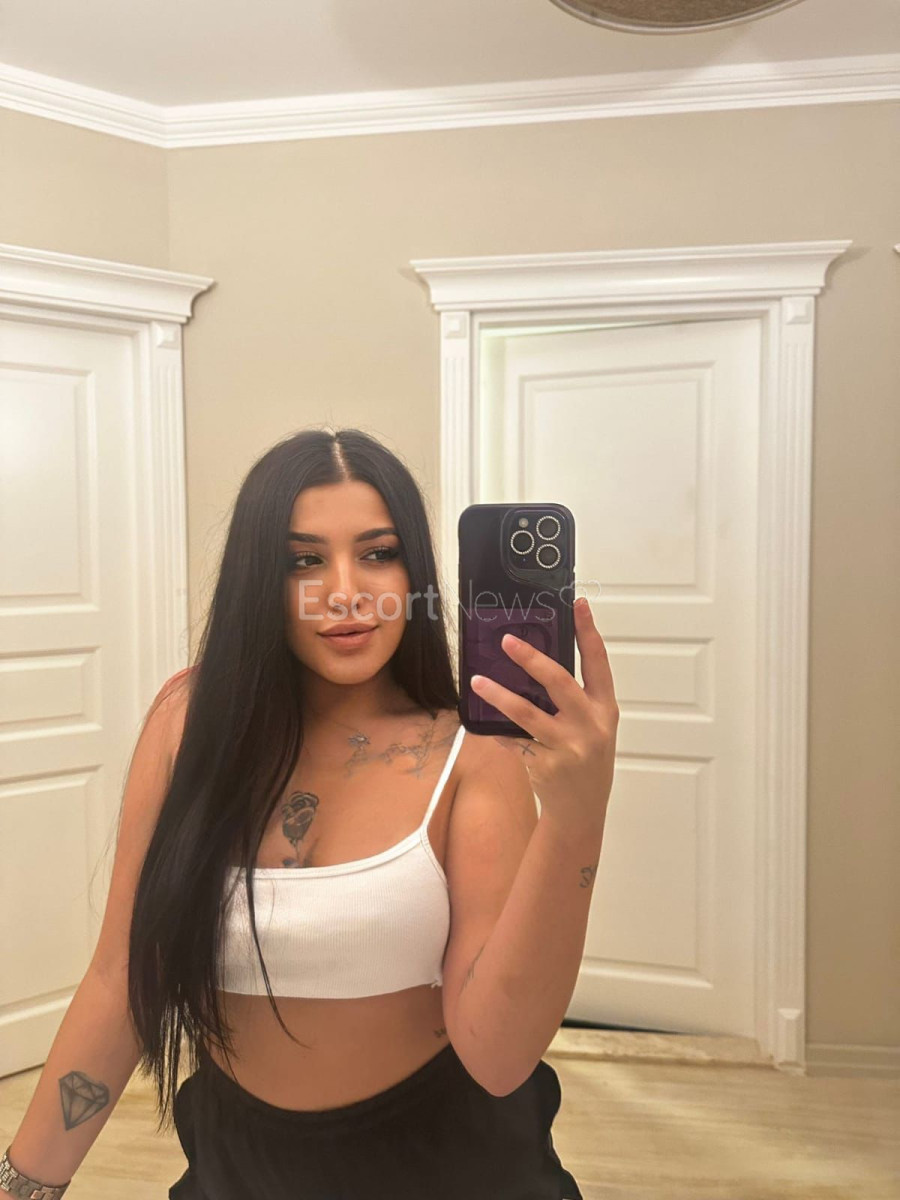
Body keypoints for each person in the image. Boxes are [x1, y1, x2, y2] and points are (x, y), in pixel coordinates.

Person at [0, 427, 618, 1200]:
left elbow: (498, 1057)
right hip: (233, 1166)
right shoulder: (189, 724)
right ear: (259, 579)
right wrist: (23, 1186)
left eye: (378, 552)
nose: (346, 590)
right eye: (304, 561)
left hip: (448, 1167)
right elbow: (125, 977)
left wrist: (576, 819)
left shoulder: (470, 752)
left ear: (415, 574)